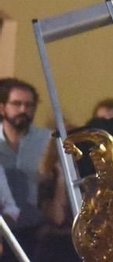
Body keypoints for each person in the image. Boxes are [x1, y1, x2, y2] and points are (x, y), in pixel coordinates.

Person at [0, 79, 65, 255]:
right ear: (2, 107)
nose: (23, 110)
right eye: (17, 104)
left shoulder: (47, 140)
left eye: (29, 105)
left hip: (36, 232)